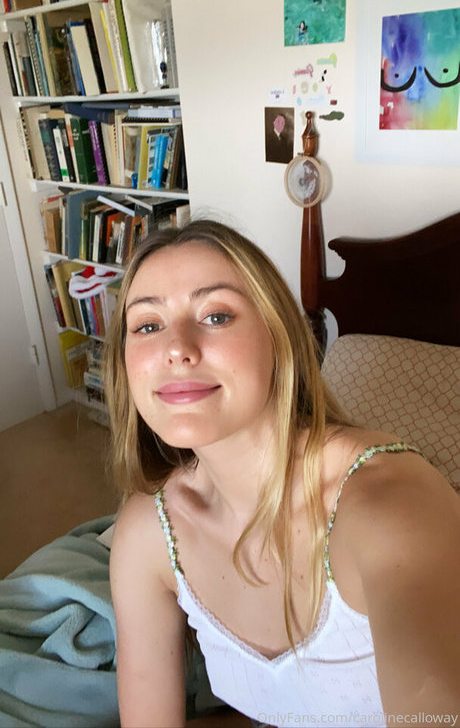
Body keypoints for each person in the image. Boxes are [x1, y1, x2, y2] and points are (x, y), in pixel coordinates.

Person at [106, 218, 460, 728]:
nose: (176, 347)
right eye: (147, 325)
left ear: (281, 337)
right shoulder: (147, 532)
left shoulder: (389, 507)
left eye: (216, 315)